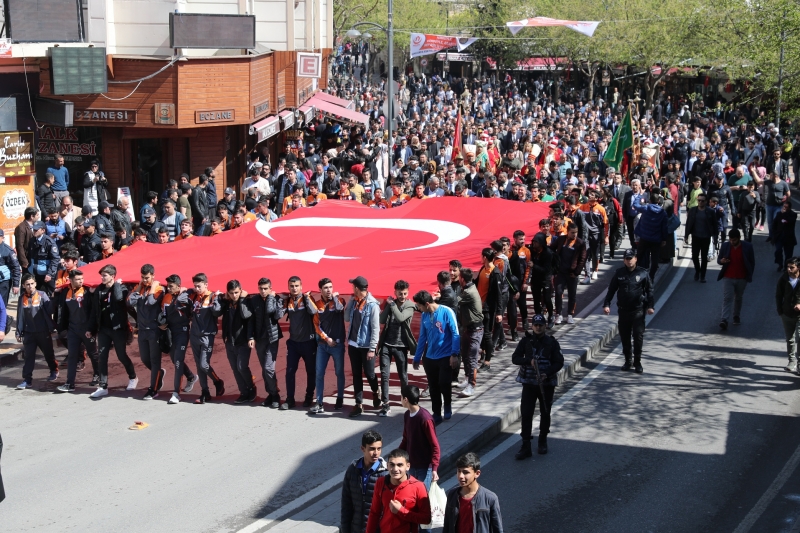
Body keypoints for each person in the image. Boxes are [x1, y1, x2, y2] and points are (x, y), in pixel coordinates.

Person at [511, 314, 564, 458]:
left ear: (545, 326)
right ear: (532, 326)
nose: (538, 327)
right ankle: (526, 444)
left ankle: (542, 440)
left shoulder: (551, 343)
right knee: (526, 414)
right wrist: (529, 361)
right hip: (528, 383)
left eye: (540, 325)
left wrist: (547, 373)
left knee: (545, 412)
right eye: (536, 325)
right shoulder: (526, 341)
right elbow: (515, 358)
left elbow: (559, 362)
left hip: (546, 384)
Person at [603, 249, 655, 373]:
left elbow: (650, 290)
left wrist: (650, 306)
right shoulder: (619, 273)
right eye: (627, 258)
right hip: (623, 311)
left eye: (631, 258)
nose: (629, 261)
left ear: (635, 259)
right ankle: (628, 361)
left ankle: (637, 362)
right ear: (624, 260)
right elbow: (611, 290)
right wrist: (606, 304)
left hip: (638, 311)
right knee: (625, 337)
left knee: (638, 336)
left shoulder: (643, 273)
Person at [90, 265, 138, 398]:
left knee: (121, 355)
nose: (102, 277)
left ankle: (133, 377)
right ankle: (103, 386)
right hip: (104, 329)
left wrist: (116, 285)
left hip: (118, 328)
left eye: (105, 275)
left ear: (112, 276)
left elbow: (118, 298)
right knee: (102, 356)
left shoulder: (121, 288)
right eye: (102, 275)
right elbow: (95, 311)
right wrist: (91, 329)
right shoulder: (99, 289)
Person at [413, 289, 460, 423]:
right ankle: (436, 412)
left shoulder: (446, 312)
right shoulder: (425, 316)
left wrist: (454, 354)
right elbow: (422, 337)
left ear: (427, 304)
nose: (419, 309)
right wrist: (417, 357)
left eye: (420, 306)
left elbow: (455, 334)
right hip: (430, 357)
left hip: (446, 355)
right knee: (433, 386)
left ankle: (448, 406)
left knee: (444, 383)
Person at [365, 448, 432, 533]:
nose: (395, 469)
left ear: (408, 466)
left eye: (400, 465)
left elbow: (426, 519)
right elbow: (374, 513)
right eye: (392, 465)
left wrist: (401, 511)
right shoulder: (380, 482)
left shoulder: (418, 486)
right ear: (387, 466)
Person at [55, 269, 100, 393]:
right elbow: (61, 311)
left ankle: (98, 374)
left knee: (93, 353)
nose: (81, 281)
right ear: (71, 280)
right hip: (73, 330)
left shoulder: (87, 291)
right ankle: (70, 383)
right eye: (78, 279)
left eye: (82, 279)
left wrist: (92, 329)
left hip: (87, 329)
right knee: (73, 356)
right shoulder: (65, 292)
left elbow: (93, 311)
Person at [128, 264, 168, 400]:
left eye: (147, 278)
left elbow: (151, 302)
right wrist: (139, 287)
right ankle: (159, 374)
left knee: (154, 360)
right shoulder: (139, 288)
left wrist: (151, 288)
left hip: (154, 330)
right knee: (145, 358)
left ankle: (153, 389)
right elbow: (129, 302)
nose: (145, 280)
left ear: (153, 276)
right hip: (143, 330)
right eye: (142, 278)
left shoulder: (158, 289)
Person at [378, 280, 416, 416]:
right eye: (400, 293)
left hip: (401, 346)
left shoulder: (410, 305)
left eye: (405, 293)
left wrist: (392, 304)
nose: (403, 296)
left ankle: (406, 399)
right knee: (384, 375)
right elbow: (381, 320)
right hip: (387, 344)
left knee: (403, 375)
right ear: (395, 292)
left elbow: (400, 318)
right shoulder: (391, 303)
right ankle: (385, 404)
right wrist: (388, 306)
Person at [159, 274, 199, 404]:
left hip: (182, 332)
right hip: (170, 332)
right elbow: (162, 314)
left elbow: (195, 291)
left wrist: (185, 291)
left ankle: (176, 393)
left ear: (178, 286)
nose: (169, 288)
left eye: (171, 286)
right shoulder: (166, 297)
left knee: (177, 361)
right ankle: (191, 377)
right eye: (168, 286)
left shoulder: (186, 296)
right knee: (173, 358)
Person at [345, 276, 381, 417]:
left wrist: (372, 349)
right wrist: (349, 301)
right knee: (356, 374)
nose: (352, 289)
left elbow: (375, 329)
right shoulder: (354, 302)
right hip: (353, 344)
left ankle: (375, 391)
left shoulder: (372, 305)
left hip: (366, 347)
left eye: (353, 287)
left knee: (369, 373)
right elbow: (347, 318)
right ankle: (358, 404)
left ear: (357, 288)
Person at [187, 273, 225, 404]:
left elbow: (217, 312)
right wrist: (187, 291)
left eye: (199, 286)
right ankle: (205, 392)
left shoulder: (212, 297)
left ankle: (217, 381)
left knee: (204, 364)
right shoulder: (194, 297)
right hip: (194, 335)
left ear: (206, 285)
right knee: (199, 365)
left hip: (207, 336)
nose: (197, 288)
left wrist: (216, 299)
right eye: (195, 286)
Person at [216, 279, 256, 404]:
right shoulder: (227, 303)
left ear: (241, 290)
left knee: (241, 366)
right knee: (235, 368)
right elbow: (216, 312)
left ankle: (251, 387)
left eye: (237, 292)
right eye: (231, 293)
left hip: (243, 341)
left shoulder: (247, 301)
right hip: (230, 341)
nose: (234, 295)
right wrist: (219, 298)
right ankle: (243, 392)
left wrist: (243, 300)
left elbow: (246, 316)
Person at [311, 277, 347, 414]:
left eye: (330, 287)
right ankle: (319, 402)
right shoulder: (317, 305)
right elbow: (316, 325)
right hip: (323, 345)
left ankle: (340, 398)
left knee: (339, 372)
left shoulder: (339, 301)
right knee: (319, 373)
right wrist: (326, 339)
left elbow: (339, 309)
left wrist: (335, 298)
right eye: (326, 288)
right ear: (320, 289)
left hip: (337, 345)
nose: (328, 290)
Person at [442, 453, 504, 533]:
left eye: (465, 472)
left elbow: (498, 529)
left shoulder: (490, 498)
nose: (460, 476)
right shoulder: (452, 494)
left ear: (477, 473)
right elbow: (447, 525)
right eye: (459, 471)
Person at [247, 277, 285, 408]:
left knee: (269, 368)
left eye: (265, 289)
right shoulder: (254, 300)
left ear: (270, 288)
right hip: (259, 339)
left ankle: (275, 395)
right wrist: (250, 337)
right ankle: (270, 394)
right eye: (261, 289)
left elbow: (275, 315)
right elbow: (250, 321)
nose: (263, 291)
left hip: (272, 339)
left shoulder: (276, 299)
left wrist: (270, 299)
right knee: (265, 369)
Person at [16, 273, 58, 389]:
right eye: (27, 284)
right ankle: (27, 380)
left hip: (43, 331)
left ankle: (54, 370)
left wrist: (54, 298)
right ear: (23, 285)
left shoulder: (42, 295)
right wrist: (18, 332)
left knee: (48, 353)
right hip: (29, 333)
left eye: (32, 284)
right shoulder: (21, 298)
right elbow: (20, 316)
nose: (30, 286)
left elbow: (50, 310)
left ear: (35, 284)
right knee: (28, 357)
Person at [341, 430, 388, 533]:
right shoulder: (352, 470)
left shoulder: (386, 474)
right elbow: (346, 505)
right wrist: (344, 529)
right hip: (356, 528)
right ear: (363, 448)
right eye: (372, 449)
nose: (376, 453)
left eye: (379, 449)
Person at [284, 276, 318, 409]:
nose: (294, 288)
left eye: (296, 286)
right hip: (293, 343)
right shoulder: (288, 300)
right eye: (291, 286)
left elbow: (314, 311)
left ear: (301, 286)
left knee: (311, 371)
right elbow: (276, 315)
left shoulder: (307, 298)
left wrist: (307, 298)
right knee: (290, 372)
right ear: (288, 287)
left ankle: (309, 397)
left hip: (308, 343)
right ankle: (290, 399)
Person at [398, 385, 441, 490]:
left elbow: (435, 446)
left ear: (405, 399)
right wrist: (396, 455)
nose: (400, 400)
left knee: (422, 500)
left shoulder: (425, 419)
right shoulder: (407, 415)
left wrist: (434, 468)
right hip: (411, 466)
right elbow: (406, 439)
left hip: (425, 469)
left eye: (401, 397)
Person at [717, 228, 755, 330]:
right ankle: (724, 319)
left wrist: (749, 275)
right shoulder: (725, 246)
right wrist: (722, 261)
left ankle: (736, 316)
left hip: (741, 278)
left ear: (739, 238)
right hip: (728, 277)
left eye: (734, 240)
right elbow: (719, 259)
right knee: (727, 298)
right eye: (730, 240)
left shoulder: (747, 247)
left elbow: (752, 262)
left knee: (738, 298)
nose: (732, 242)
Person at [551, 223, 587, 324]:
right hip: (561, 272)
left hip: (572, 274)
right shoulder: (561, 239)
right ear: (567, 232)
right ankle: (558, 314)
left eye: (576, 233)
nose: (574, 235)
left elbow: (583, 259)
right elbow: (552, 249)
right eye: (572, 233)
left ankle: (570, 314)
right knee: (558, 292)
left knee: (572, 294)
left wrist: (576, 272)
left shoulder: (580, 243)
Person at [455, 268, 483, 397]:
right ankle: (467, 378)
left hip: (475, 330)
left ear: (462, 279)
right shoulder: (468, 288)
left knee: (472, 358)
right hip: (468, 329)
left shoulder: (469, 292)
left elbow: (455, 301)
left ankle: (472, 385)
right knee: (465, 355)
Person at [633, 193, 668, 281]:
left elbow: (635, 205)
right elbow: (664, 227)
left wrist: (640, 195)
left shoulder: (646, 208)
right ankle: (651, 277)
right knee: (655, 260)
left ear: (650, 200)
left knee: (640, 257)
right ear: (659, 201)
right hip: (656, 240)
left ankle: (638, 275)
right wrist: (664, 239)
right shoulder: (662, 212)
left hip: (644, 238)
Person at [685, 193, 717, 282]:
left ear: (706, 202)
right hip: (695, 237)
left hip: (706, 237)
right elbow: (688, 224)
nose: (700, 202)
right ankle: (697, 271)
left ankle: (702, 276)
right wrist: (686, 235)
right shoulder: (693, 210)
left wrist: (715, 237)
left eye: (702, 201)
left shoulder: (710, 211)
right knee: (694, 256)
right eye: (699, 200)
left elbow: (714, 225)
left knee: (704, 257)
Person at [776, 257, 800, 373]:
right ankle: (792, 361)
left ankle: (799, 363)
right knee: (790, 339)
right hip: (787, 313)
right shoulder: (784, 279)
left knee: (799, 338)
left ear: (798, 268)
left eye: (792, 267)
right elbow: (778, 295)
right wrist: (780, 310)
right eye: (788, 267)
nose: (789, 269)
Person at [27, 221, 60, 296]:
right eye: (33, 230)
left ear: (43, 230)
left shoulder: (49, 242)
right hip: (34, 273)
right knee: (34, 294)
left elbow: (55, 259)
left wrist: (50, 274)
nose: (34, 231)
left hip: (46, 274)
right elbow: (29, 256)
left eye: (36, 230)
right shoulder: (32, 241)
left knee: (52, 294)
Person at [773, 201, 797, 270]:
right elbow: (774, 224)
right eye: (784, 206)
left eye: (786, 207)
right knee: (778, 250)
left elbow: (790, 221)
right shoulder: (779, 214)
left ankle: (786, 266)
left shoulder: (793, 214)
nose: (784, 208)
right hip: (779, 236)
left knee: (788, 254)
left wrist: (784, 214)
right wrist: (774, 233)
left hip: (789, 237)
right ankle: (780, 263)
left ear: (789, 208)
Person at [0, 229, 21, 307]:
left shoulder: (8, 251)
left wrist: (15, 284)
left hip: (3, 282)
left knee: (1, 305)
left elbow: (16, 267)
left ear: (2, 237)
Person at [14, 207, 37, 275]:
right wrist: (24, 261)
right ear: (32, 216)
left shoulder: (35, 225)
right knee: (27, 278)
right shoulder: (21, 228)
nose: (38, 217)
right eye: (37, 215)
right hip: (27, 259)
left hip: (34, 257)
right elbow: (19, 245)